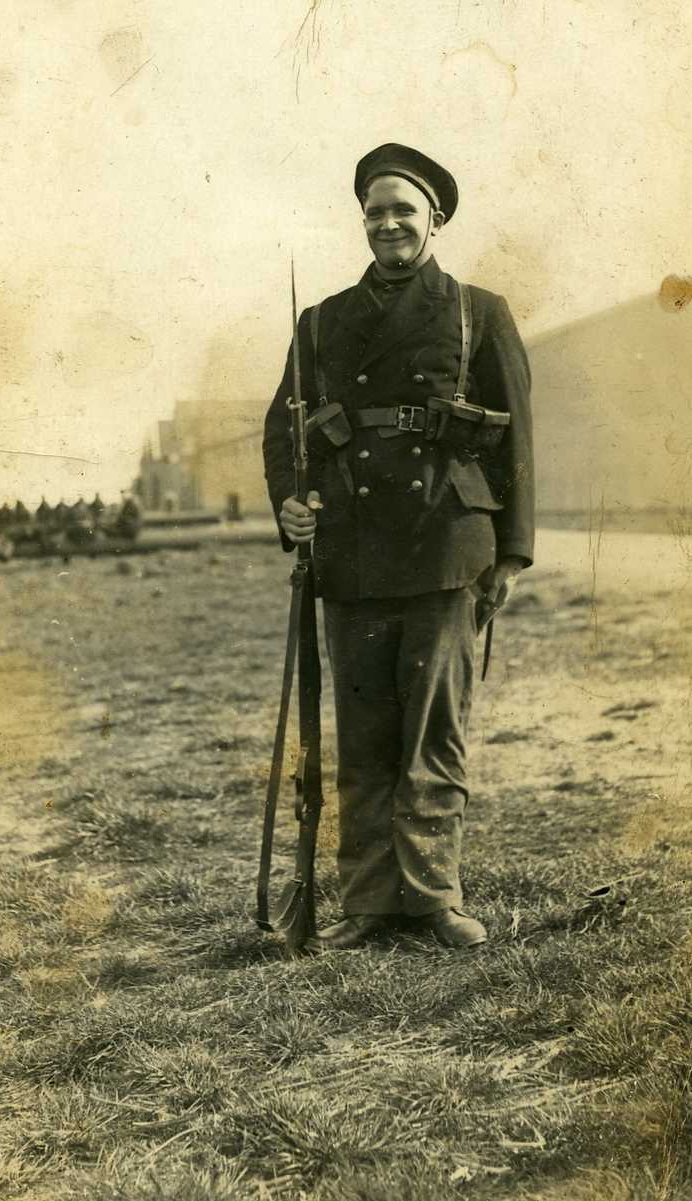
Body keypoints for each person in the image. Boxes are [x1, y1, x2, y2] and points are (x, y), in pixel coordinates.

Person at [263, 143, 534, 951]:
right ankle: (371, 902)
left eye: (403, 211)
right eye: (375, 212)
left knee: (433, 730)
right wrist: (291, 505)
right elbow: (284, 427)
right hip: (351, 549)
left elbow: (517, 437)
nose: (388, 224)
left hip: (449, 545)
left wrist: (511, 552)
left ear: (435, 221)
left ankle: (433, 897)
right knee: (365, 729)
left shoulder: (479, 311)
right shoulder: (320, 322)